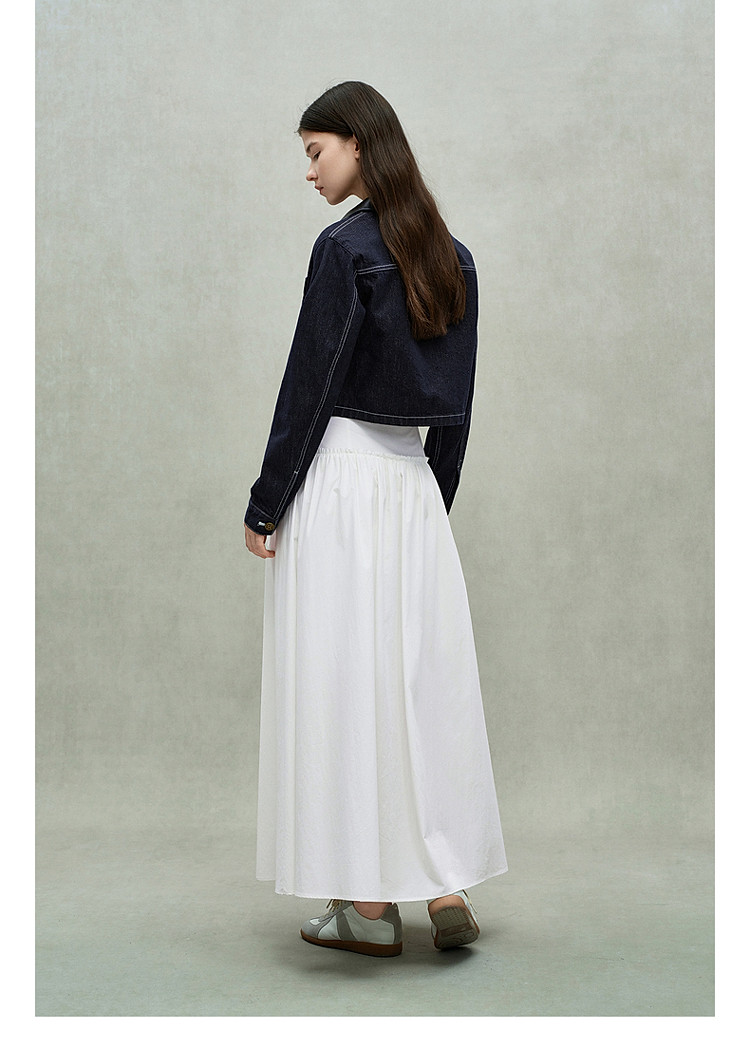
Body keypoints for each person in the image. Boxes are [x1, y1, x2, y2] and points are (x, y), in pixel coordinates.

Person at [243, 81, 507, 957]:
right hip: (412, 485)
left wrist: (267, 501)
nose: (309, 171)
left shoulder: (343, 250)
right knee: (419, 685)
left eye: (315, 151)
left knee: (346, 685)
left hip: (341, 481)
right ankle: (445, 884)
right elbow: (458, 409)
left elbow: (310, 384)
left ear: (358, 144)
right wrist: (430, 508)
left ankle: (365, 904)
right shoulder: (453, 256)